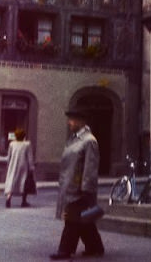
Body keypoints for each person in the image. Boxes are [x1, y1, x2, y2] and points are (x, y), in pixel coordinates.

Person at [50, 107, 104, 260]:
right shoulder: (75, 138)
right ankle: (95, 247)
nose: (69, 123)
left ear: (81, 121)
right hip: (71, 185)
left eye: (72, 119)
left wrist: (87, 189)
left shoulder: (89, 141)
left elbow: (90, 167)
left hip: (79, 188)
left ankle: (64, 250)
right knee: (83, 220)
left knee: (72, 219)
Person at [3, 128, 34, 208]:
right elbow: (29, 157)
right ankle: (23, 201)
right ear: (24, 135)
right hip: (23, 165)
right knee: (23, 182)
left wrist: (8, 165)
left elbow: (9, 156)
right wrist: (31, 167)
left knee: (12, 181)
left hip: (13, 165)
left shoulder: (12, 144)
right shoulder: (27, 144)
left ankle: (8, 198)